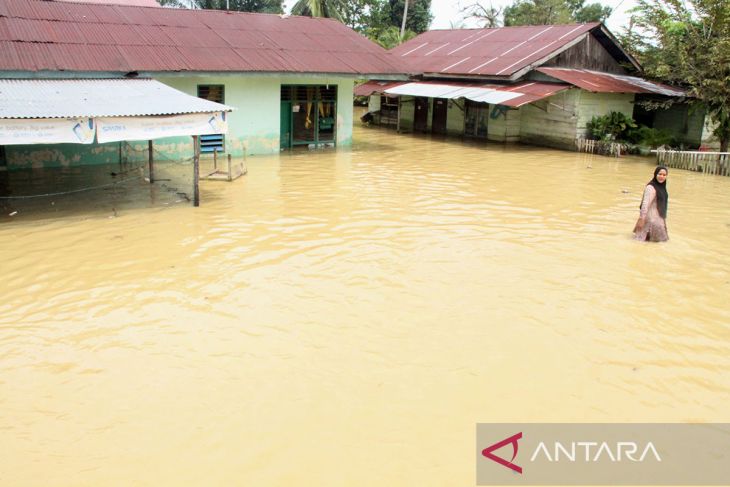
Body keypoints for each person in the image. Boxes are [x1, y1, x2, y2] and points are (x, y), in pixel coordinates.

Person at [633, 166, 669, 242]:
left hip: (658, 222)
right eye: (660, 174)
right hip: (649, 221)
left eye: (664, 175)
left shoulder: (662, 188)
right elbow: (645, 204)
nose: (662, 176)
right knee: (641, 243)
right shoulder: (651, 187)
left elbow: (662, 207)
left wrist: (664, 222)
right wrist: (641, 219)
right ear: (655, 174)